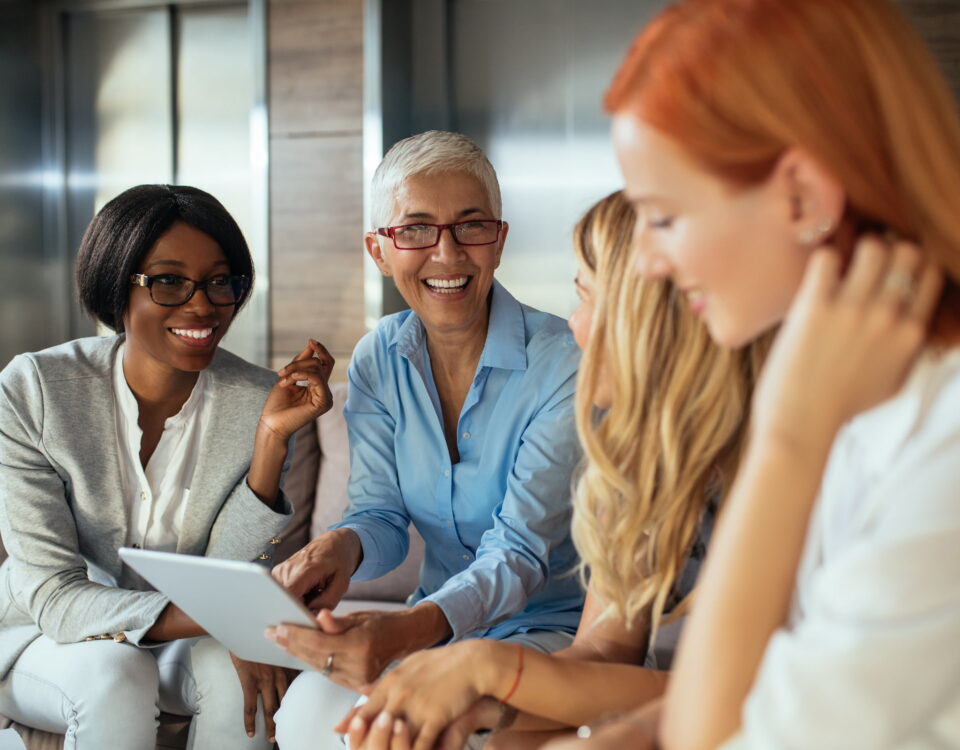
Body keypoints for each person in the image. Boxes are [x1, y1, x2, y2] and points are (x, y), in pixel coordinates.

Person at [558, 0, 960, 748]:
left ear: (803, 197)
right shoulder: (869, 398)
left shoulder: (934, 442)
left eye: (665, 216)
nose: (645, 261)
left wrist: (788, 438)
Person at [337, 192, 771, 750]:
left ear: (655, 315)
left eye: (586, 296)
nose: (574, 326)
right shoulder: (639, 466)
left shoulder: (777, 460)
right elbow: (604, 653)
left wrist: (484, 670)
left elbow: (763, 690)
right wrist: (485, 708)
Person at [268, 131, 586, 748]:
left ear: (499, 240)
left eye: (471, 227)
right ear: (379, 251)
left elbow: (519, 553)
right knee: (310, 711)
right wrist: (340, 547)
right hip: (438, 625)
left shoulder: (565, 364)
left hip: (554, 632)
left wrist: (411, 629)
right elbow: (381, 517)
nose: (447, 253)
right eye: (414, 229)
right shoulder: (378, 358)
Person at [0, 184, 334, 748]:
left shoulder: (260, 399)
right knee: (115, 674)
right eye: (169, 281)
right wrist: (233, 623)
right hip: (41, 635)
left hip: (178, 635)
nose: (201, 304)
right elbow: (56, 596)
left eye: (219, 281)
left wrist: (272, 439)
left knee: (240, 685)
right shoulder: (35, 390)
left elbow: (225, 574)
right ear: (116, 284)